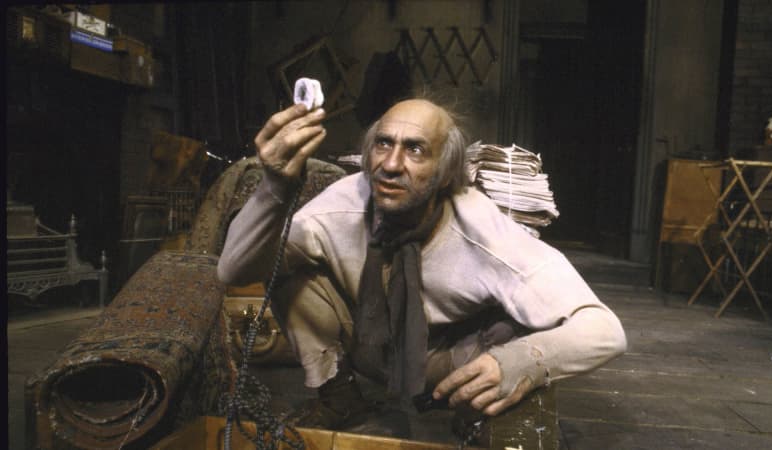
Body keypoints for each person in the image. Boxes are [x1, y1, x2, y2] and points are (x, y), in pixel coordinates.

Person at [217, 97, 627, 431]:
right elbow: (233, 271)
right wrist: (275, 187)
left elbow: (605, 330)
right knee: (288, 271)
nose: (391, 165)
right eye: (383, 144)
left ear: (445, 172)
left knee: (521, 330)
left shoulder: (482, 231)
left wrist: (519, 362)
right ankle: (340, 399)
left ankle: (475, 419)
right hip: (369, 344)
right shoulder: (345, 204)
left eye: (415, 150)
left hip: (449, 364)